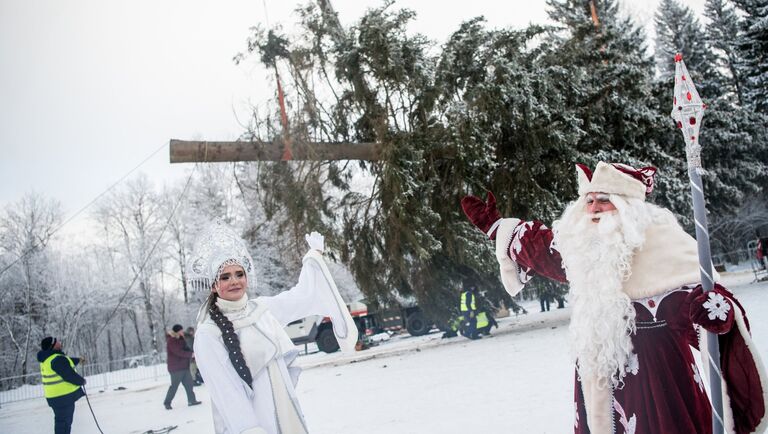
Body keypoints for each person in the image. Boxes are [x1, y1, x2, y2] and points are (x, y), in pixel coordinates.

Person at [462, 161, 768, 433]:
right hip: (598, 381)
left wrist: (716, 312)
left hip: (659, 385)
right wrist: (495, 226)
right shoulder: (584, 247)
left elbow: (706, 304)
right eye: (589, 200)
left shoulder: (665, 245)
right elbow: (541, 248)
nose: (593, 208)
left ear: (627, 206)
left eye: (604, 200)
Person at [189, 222, 358, 434]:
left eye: (239, 274)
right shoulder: (208, 333)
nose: (234, 281)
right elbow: (226, 392)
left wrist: (313, 259)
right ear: (214, 286)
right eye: (225, 277)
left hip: (286, 414)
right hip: (251, 424)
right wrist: (250, 429)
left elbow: (302, 296)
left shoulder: (262, 310)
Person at [37, 336, 86, 434]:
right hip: (62, 398)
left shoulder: (49, 358)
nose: (60, 342)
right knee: (63, 424)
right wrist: (82, 381)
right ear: (53, 346)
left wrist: (79, 360)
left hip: (56, 398)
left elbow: (67, 361)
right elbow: (69, 375)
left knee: (62, 423)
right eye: (57, 342)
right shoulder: (57, 359)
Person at [163, 324, 201, 409]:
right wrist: (190, 354)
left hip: (184, 366)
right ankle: (167, 402)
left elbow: (186, 348)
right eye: (180, 330)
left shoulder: (181, 339)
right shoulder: (171, 341)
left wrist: (193, 351)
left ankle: (192, 400)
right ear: (176, 332)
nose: (182, 331)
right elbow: (178, 352)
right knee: (174, 386)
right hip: (175, 368)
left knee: (189, 384)